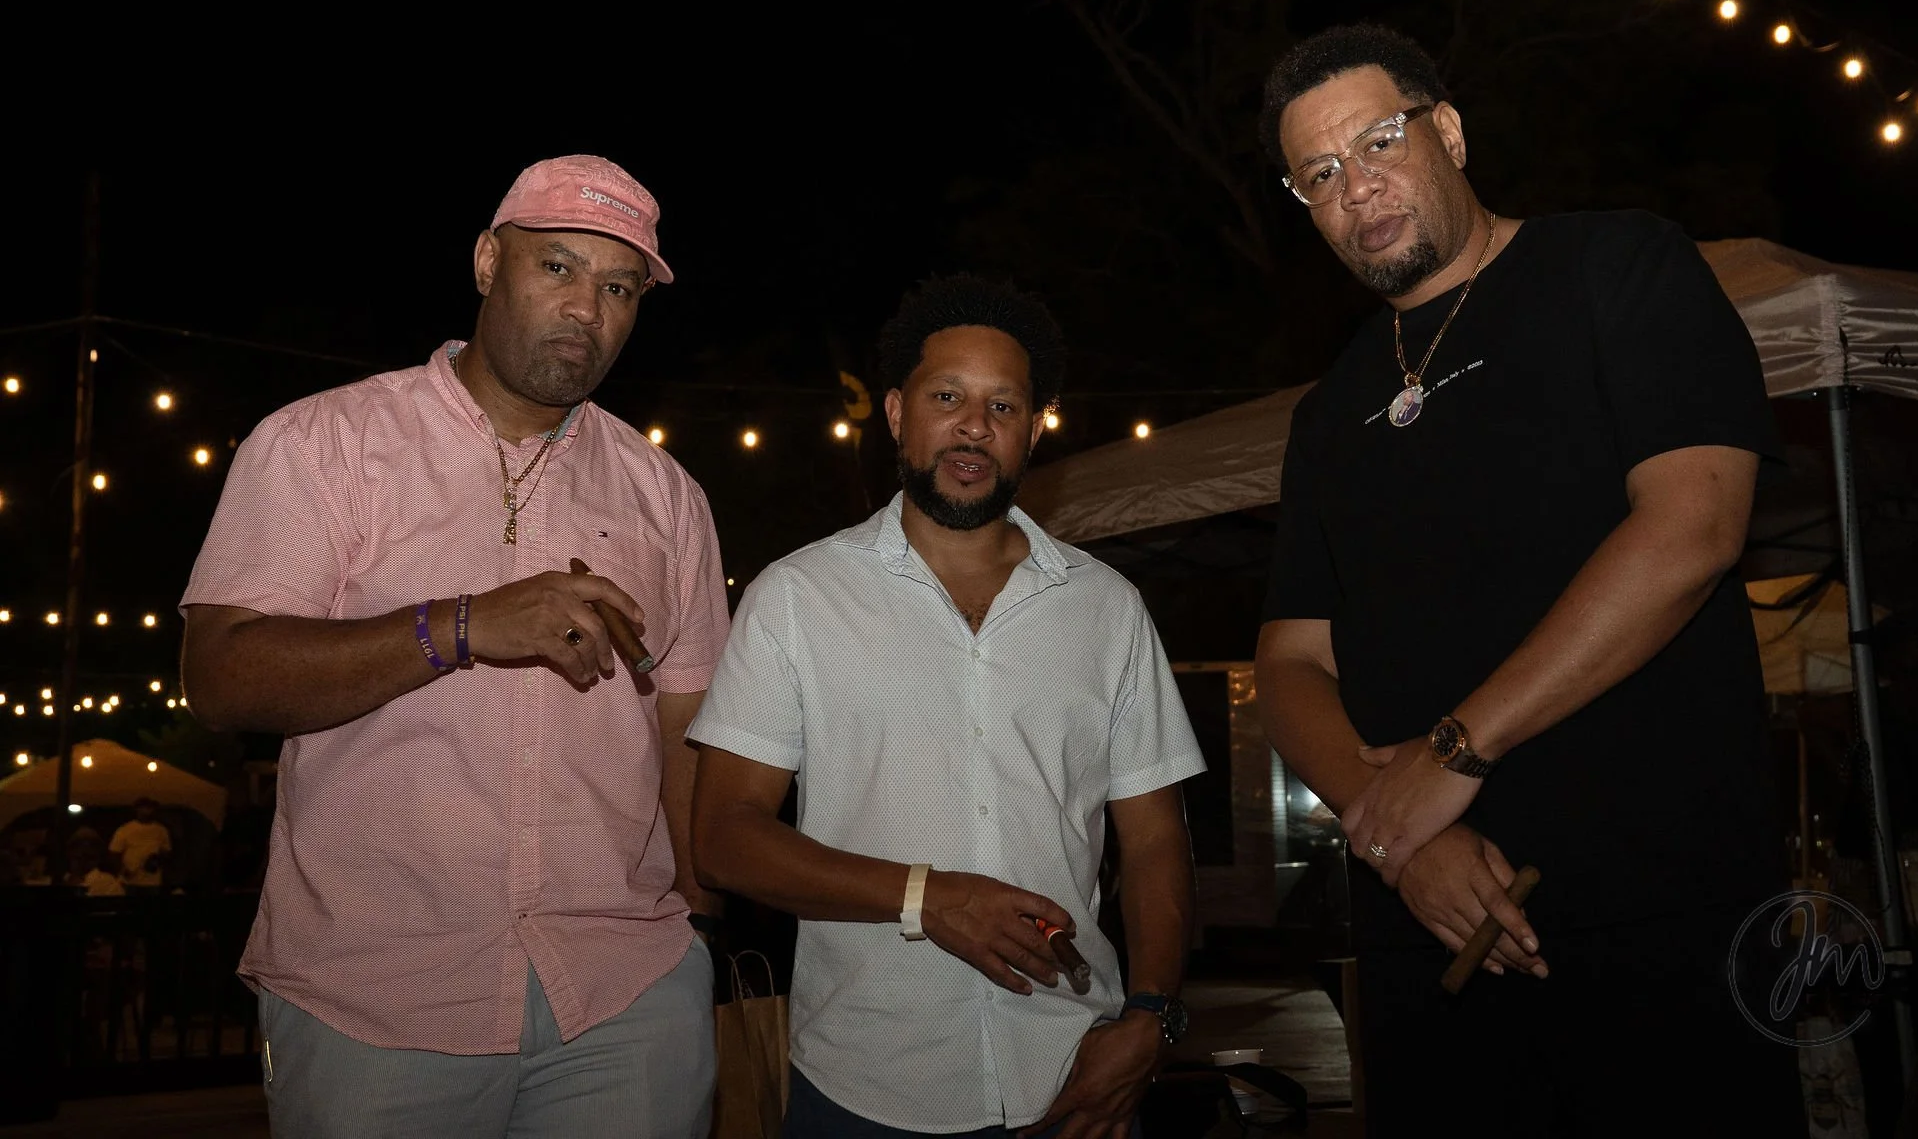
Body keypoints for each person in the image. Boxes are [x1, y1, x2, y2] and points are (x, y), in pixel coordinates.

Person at [1252, 23, 1804, 1135]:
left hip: (1659, 919)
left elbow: (1692, 528)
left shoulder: (1617, 266)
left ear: (1447, 132)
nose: (1354, 188)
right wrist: (1388, 826)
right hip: (1425, 931)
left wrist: (1455, 752)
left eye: (1377, 142)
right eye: (1319, 173)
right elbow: (1289, 659)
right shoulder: (1325, 414)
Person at [179, 155, 728, 1139]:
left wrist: (698, 911)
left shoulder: (666, 495)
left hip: (623, 994)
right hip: (377, 999)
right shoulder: (322, 447)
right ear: (486, 261)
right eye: (556, 268)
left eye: (617, 288)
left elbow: (686, 724)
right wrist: (460, 628)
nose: (585, 309)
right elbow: (220, 677)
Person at [689, 274, 1205, 1138]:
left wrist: (1152, 1018)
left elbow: (1155, 839)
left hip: (1076, 1076)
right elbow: (724, 838)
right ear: (896, 414)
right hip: (866, 1083)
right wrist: (927, 896)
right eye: (947, 396)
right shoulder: (796, 597)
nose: (974, 424)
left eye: (1005, 406)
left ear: (1036, 429)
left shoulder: (1105, 605)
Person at [109, 796, 173, 888]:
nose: (148, 810)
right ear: (137, 809)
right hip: (129, 882)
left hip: (152, 882)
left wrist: (156, 859)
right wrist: (122, 871)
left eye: (150, 807)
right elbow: (114, 852)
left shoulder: (161, 830)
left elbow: (166, 851)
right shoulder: (125, 829)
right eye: (145, 807)